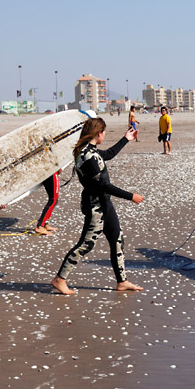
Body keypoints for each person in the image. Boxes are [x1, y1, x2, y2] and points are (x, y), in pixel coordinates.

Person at [52, 118, 144, 295]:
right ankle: (60, 279)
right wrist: (131, 196)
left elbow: (108, 154)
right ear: (98, 133)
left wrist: (126, 139)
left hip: (105, 204)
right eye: (104, 132)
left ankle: (122, 281)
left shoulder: (89, 151)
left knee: (117, 239)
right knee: (86, 244)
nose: (104, 135)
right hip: (96, 207)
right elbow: (104, 186)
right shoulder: (87, 157)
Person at [35, 170, 61, 235]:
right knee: (53, 200)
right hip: (51, 171)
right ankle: (40, 226)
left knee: (53, 199)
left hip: (47, 170)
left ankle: (45, 224)